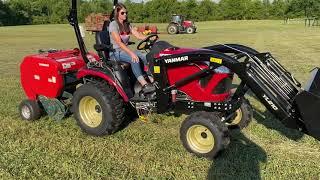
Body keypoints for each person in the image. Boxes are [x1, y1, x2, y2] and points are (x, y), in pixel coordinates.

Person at [109, 3, 155, 93]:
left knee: (146, 56)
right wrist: (132, 53)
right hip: (116, 52)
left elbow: (138, 35)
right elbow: (119, 42)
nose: (125, 14)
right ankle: (144, 85)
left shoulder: (127, 25)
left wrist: (149, 38)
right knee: (134, 58)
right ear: (117, 13)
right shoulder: (113, 25)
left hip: (125, 51)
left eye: (126, 13)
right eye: (122, 13)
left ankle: (152, 80)